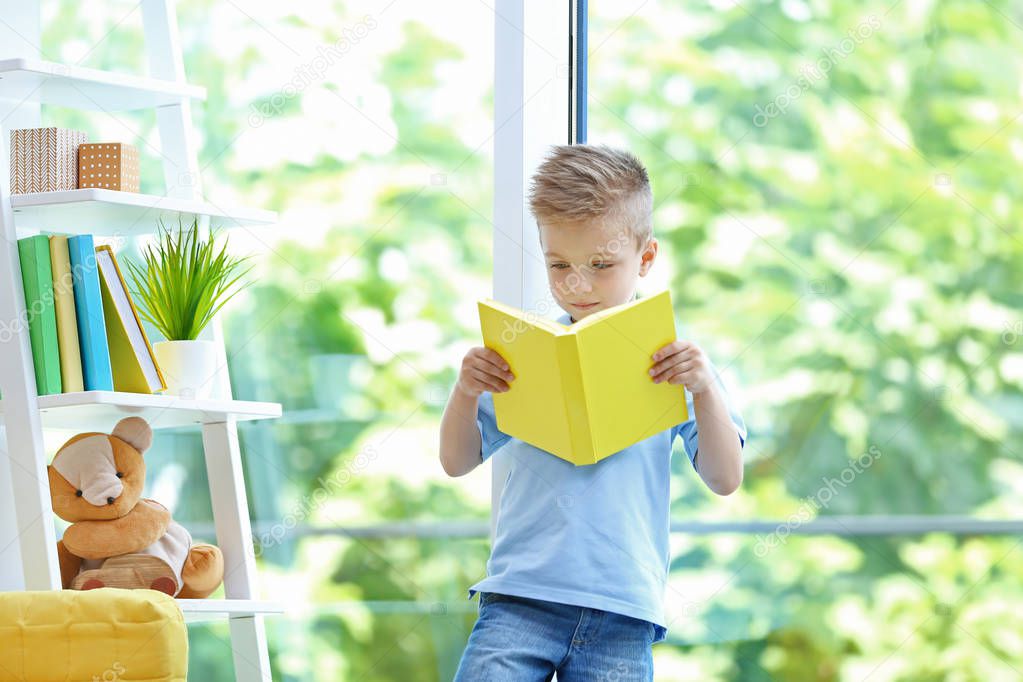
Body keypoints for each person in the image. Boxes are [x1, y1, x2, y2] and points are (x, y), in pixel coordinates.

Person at [439, 144, 746, 681]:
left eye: (601, 266)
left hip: (623, 609)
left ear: (645, 258)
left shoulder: (676, 363)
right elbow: (456, 461)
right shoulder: (526, 352)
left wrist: (702, 390)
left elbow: (725, 477)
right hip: (520, 597)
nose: (577, 284)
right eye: (559, 265)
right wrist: (465, 391)